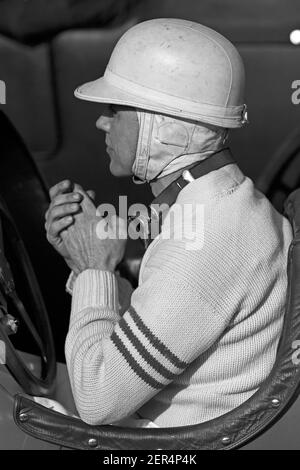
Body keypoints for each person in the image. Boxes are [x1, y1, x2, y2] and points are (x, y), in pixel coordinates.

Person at [45, 19, 293, 427]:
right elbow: (162, 322)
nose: (101, 123)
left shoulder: (204, 244)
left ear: (163, 128)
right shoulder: (229, 204)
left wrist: (95, 267)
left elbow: (96, 399)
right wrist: (85, 258)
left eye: (115, 110)